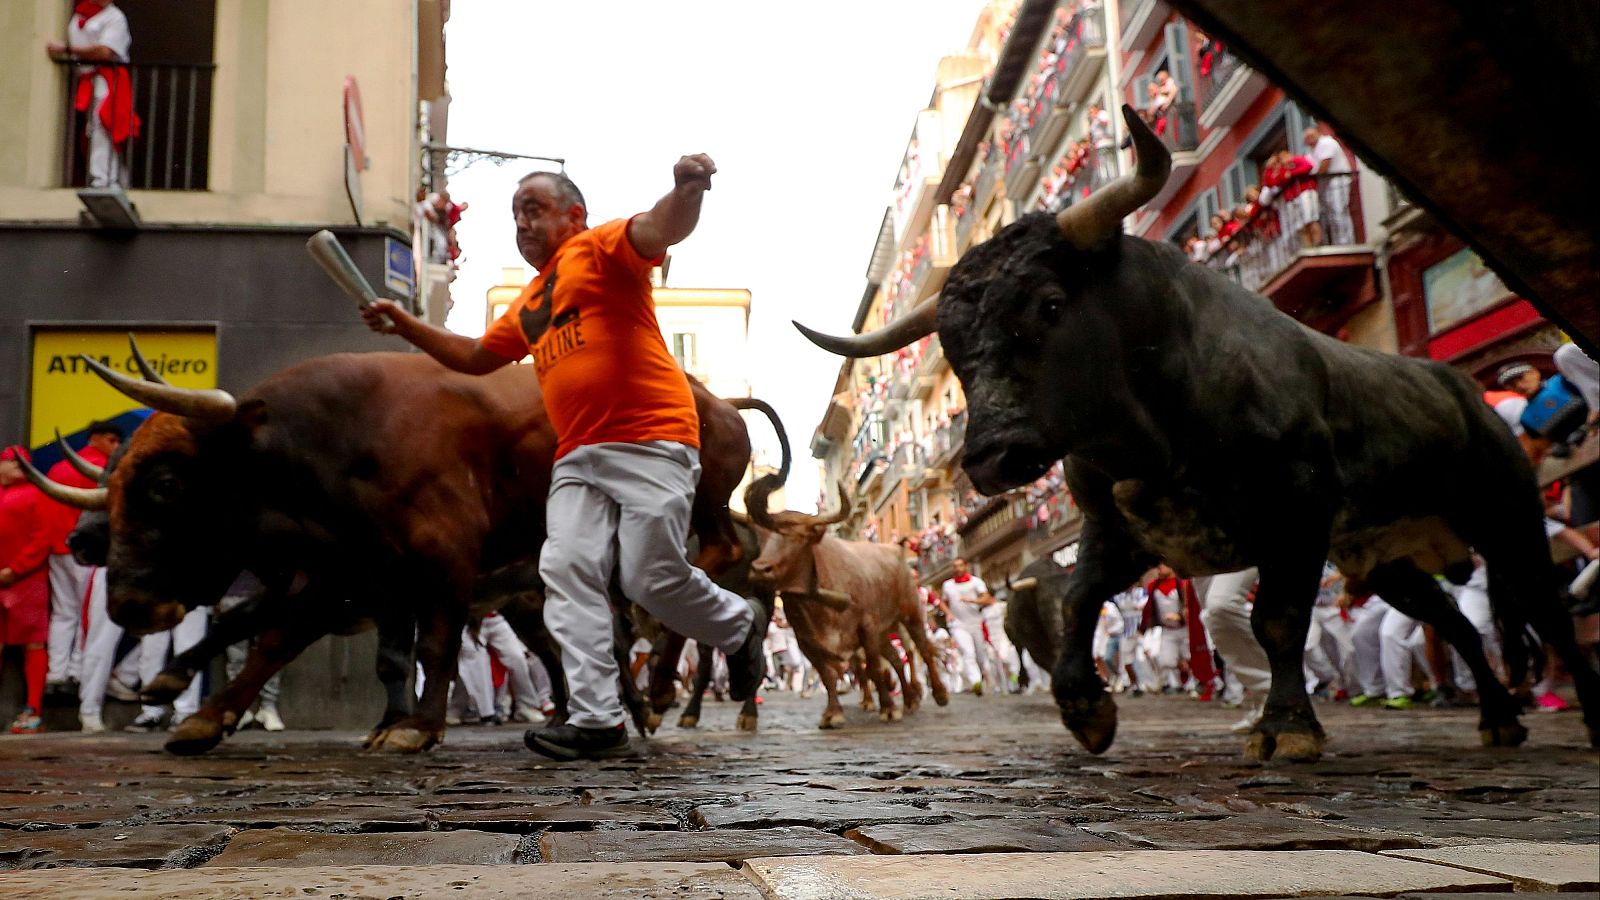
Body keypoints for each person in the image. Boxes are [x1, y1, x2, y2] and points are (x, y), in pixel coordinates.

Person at [361, 157, 767, 760]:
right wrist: (406, 326)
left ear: (573, 216)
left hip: (652, 437)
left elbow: (662, 227)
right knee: (565, 570)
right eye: (515, 214)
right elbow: (475, 357)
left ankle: (741, 624)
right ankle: (596, 719)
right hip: (577, 453)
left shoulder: (601, 248)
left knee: (646, 578)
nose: (522, 224)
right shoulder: (530, 298)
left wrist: (687, 189)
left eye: (534, 209)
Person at [42, 420, 121, 693]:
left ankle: (56, 672)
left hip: (55, 549)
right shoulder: (105, 472)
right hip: (85, 552)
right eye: (112, 440)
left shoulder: (57, 468)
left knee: (64, 613)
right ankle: (77, 670)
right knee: (87, 613)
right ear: (96, 438)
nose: (117, 447)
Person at [45, 0, 137, 189]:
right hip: (88, 80)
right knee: (90, 132)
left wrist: (67, 50)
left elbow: (105, 51)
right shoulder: (80, 15)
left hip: (109, 78)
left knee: (103, 125)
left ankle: (105, 180)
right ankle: (115, 179)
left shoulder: (115, 17)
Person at [1, 447, 52, 733]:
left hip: (27, 581)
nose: (18, 467)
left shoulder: (37, 493)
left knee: (34, 643)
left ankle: (34, 710)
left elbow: (42, 538)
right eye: (12, 463)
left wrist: (15, 569)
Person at [939, 557, 994, 695]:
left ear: (966, 566)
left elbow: (987, 599)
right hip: (958, 625)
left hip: (975, 623)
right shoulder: (947, 585)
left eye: (960, 566)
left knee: (980, 654)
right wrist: (948, 613)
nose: (957, 569)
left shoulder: (976, 582)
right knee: (968, 652)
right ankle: (976, 682)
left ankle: (987, 677)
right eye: (955, 566)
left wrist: (973, 600)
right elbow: (943, 602)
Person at [1304, 126, 1354, 245]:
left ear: (1317, 133)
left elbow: (1324, 165)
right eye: (1306, 138)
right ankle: (1338, 241)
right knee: (1332, 216)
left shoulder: (1326, 142)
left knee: (1339, 212)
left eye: (1310, 136)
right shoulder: (1311, 150)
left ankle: (1346, 242)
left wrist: (1312, 178)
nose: (1308, 139)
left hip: (1338, 181)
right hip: (1327, 187)